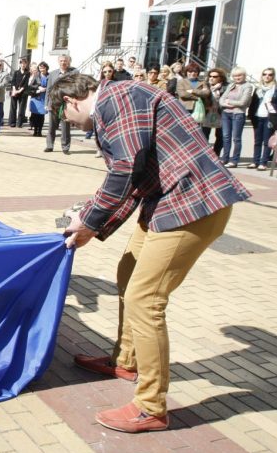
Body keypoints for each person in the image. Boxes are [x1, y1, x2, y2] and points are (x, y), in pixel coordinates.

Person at [54, 72, 250, 434]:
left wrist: (90, 223)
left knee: (146, 299)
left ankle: (151, 406)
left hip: (193, 204)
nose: (70, 123)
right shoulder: (120, 99)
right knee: (128, 273)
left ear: (71, 101)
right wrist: (89, 223)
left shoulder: (116, 99)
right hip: (170, 203)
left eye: (65, 115)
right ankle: (126, 360)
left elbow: (125, 172)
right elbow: (131, 183)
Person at [249, 67, 277, 170]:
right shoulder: (258, 88)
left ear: (273, 76)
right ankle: (255, 161)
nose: (267, 76)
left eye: (270, 75)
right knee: (257, 140)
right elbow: (253, 103)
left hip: (270, 117)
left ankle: (263, 162)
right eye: (265, 74)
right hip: (257, 116)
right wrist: (251, 116)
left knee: (267, 141)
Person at [218, 67, 254, 168]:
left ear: (244, 75)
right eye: (235, 76)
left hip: (237, 114)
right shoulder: (231, 85)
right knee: (225, 137)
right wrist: (225, 104)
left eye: (239, 75)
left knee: (236, 138)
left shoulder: (247, 86)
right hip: (226, 113)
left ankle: (234, 160)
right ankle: (225, 158)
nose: (237, 78)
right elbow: (222, 99)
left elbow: (243, 102)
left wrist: (229, 102)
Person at [44, 54, 77, 154]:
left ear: (68, 62)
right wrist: (46, 103)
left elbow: (76, 87)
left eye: (65, 61)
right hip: (54, 104)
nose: (63, 62)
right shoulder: (53, 74)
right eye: (61, 61)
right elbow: (48, 89)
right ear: (58, 62)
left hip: (66, 105)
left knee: (65, 127)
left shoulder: (74, 72)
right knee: (51, 127)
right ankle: (49, 146)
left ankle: (65, 148)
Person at [8, 57, 30, 128]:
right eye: (22, 63)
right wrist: (14, 90)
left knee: (21, 109)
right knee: (13, 108)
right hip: (15, 92)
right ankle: (12, 122)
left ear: (26, 64)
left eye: (24, 63)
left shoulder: (28, 73)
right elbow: (13, 82)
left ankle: (19, 123)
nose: (23, 65)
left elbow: (26, 84)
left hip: (23, 93)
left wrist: (19, 91)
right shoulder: (16, 72)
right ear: (20, 64)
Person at [27, 62, 47, 137]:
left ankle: (40, 131)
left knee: (41, 115)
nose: (42, 69)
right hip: (36, 97)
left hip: (44, 97)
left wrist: (46, 89)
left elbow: (51, 85)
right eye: (40, 67)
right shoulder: (36, 76)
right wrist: (38, 88)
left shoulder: (49, 76)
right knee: (35, 115)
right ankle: (35, 130)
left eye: (43, 67)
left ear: (46, 68)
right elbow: (30, 86)